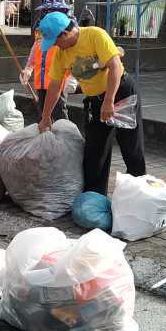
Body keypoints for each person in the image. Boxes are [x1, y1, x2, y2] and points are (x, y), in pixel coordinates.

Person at [36, 12, 146, 195]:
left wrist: (109, 100)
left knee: (131, 147)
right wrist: (45, 117)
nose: (55, 45)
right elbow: (54, 86)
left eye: (55, 41)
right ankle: (94, 201)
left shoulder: (95, 35)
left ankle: (139, 195)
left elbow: (115, 67)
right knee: (95, 153)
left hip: (120, 93)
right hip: (95, 100)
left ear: (65, 33)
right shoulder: (61, 54)